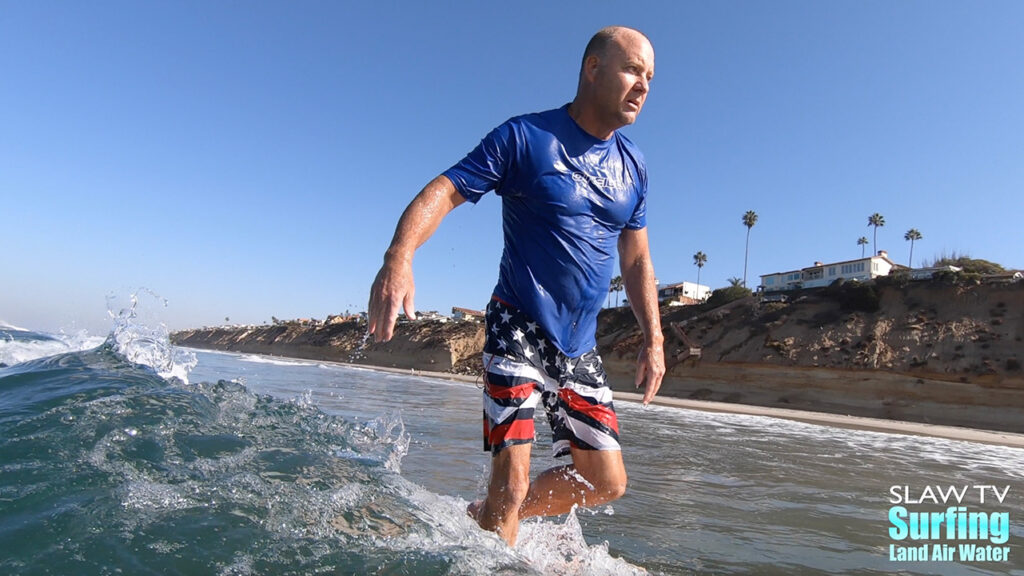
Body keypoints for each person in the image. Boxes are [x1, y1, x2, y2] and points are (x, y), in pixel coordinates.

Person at [368, 25, 664, 546]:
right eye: (632, 70)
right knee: (514, 478)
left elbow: (636, 256)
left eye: (650, 77)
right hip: (517, 326)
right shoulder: (527, 137)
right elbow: (446, 188)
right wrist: (400, 255)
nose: (643, 85)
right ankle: (497, 522)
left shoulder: (633, 165)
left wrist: (653, 337)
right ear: (592, 69)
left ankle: (490, 514)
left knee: (607, 482)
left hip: (581, 346)